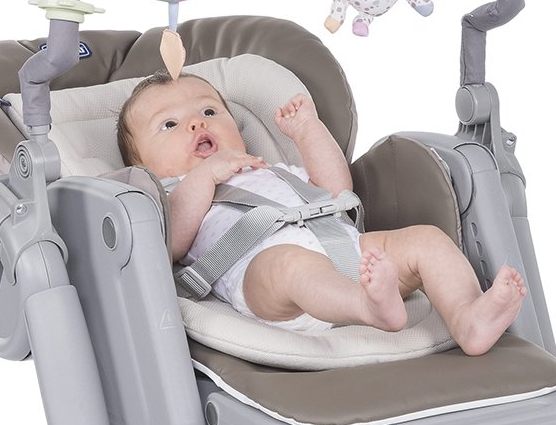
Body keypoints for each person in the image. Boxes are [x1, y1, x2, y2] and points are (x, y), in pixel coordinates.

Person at [116, 74, 526, 352]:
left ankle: (468, 317)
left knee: (426, 239)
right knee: (291, 265)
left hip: (348, 251)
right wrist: (204, 176)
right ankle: (367, 307)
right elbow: (171, 244)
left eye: (209, 112)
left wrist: (306, 131)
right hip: (268, 280)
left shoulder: (270, 169)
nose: (195, 124)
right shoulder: (168, 193)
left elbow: (338, 192)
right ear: (143, 165)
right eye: (169, 125)